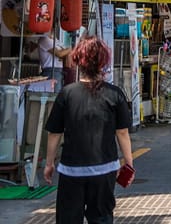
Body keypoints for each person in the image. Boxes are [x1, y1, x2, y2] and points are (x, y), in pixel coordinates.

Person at [43, 36, 133, 224]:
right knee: (102, 218)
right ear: (103, 62)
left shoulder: (67, 93)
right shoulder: (115, 94)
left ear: (78, 61)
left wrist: (49, 163)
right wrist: (129, 164)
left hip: (71, 169)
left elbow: (54, 133)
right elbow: (122, 133)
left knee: (68, 218)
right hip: (105, 167)